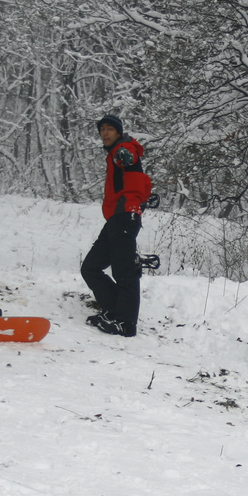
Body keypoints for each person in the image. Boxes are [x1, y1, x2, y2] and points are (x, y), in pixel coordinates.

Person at [81, 114, 151, 336]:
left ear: (119, 132)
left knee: (125, 271)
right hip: (115, 218)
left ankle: (126, 323)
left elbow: (130, 157)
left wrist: (125, 155)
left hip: (125, 215)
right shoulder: (113, 154)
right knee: (90, 267)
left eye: (110, 129)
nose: (105, 133)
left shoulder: (124, 149)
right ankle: (113, 310)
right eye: (102, 129)